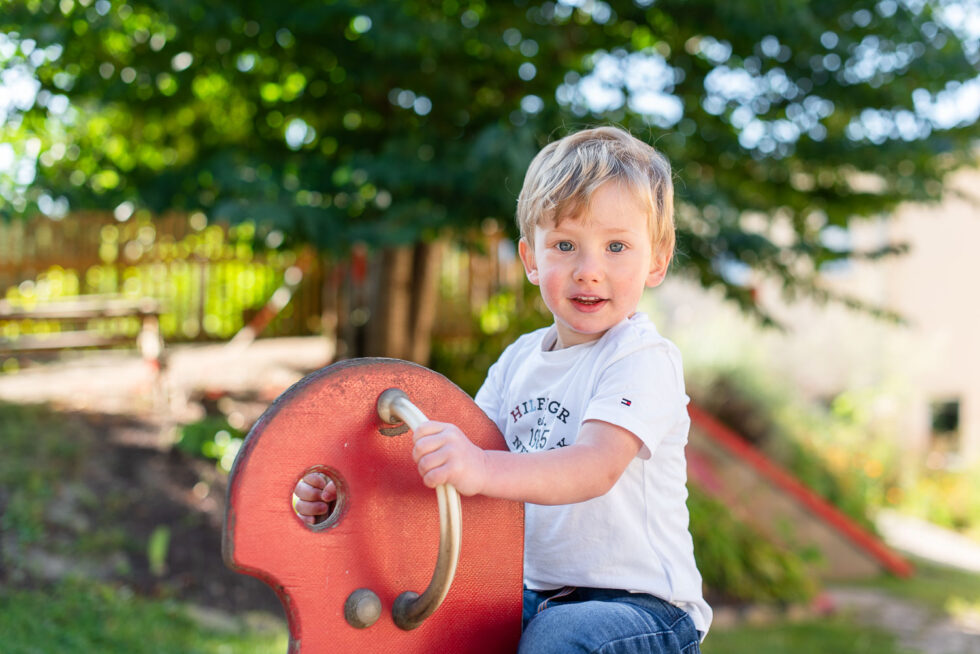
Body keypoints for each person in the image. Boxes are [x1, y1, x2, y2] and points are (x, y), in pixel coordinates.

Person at [295, 125, 711, 653]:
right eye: (565, 245)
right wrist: (349, 493)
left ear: (657, 258)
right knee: (436, 626)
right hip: (535, 599)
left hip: (642, 610)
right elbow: (451, 462)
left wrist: (482, 467)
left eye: (616, 247)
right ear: (531, 259)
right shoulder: (518, 362)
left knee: (561, 639)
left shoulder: (640, 358)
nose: (589, 271)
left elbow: (594, 467)